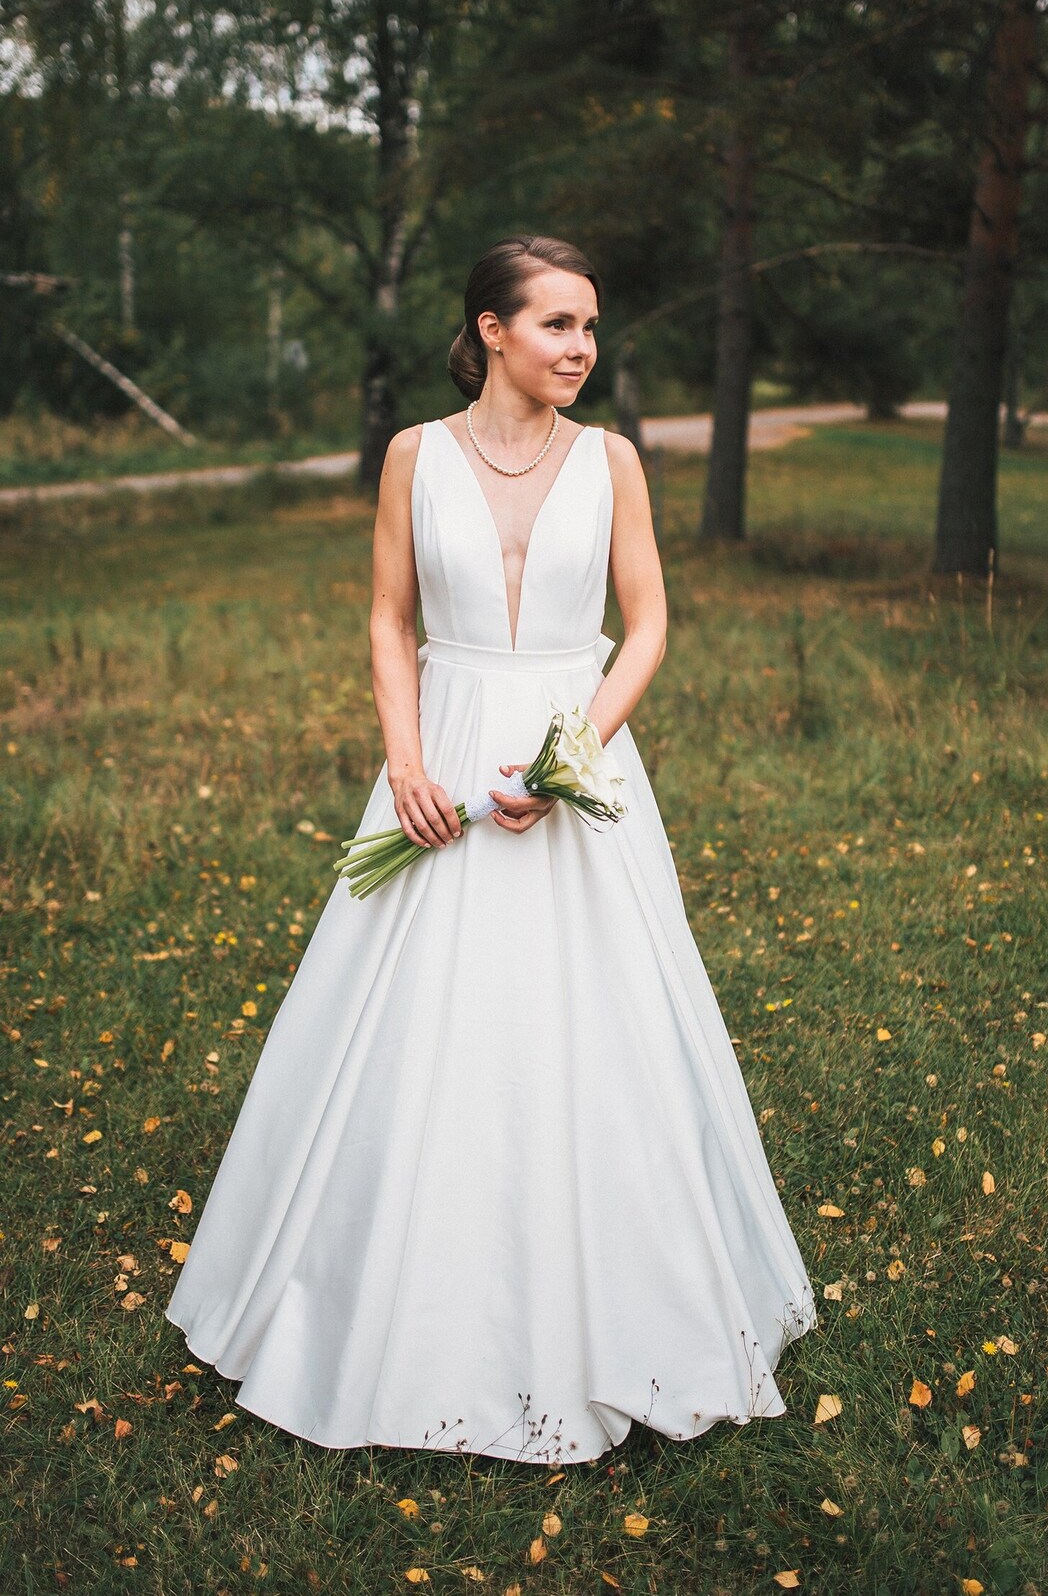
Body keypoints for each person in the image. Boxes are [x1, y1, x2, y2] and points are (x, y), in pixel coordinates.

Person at [165, 234, 817, 1464]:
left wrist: (574, 753)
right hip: (446, 744)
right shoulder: (414, 456)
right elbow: (389, 610)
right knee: (408, 1021)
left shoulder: (613, 460)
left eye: (589, 325)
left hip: (576, 751)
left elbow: (650, 622)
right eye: (559, 324)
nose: (581, 347)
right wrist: (407, 762)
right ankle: (374, 1291)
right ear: (492, 330)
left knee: (600, 1024)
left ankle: (629, 1291)